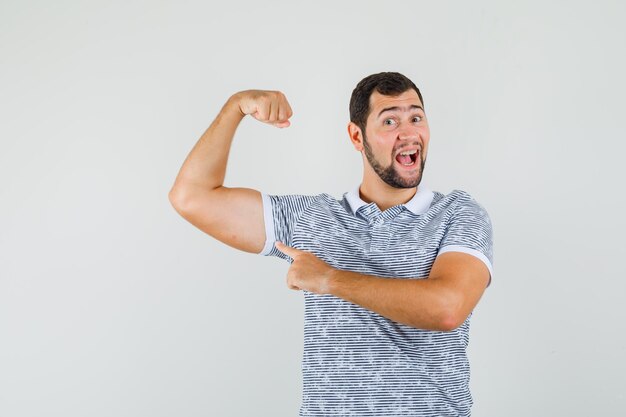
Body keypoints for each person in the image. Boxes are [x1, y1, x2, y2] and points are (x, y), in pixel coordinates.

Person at [168, 72, 493, 417]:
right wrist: (235, 107)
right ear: (357, 136)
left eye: (416, 117)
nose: (408, 132)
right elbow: (191, 196)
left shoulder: (457, 213)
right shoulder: (313, 218)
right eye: (389, 121)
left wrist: (328, 279)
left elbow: (447, 308)